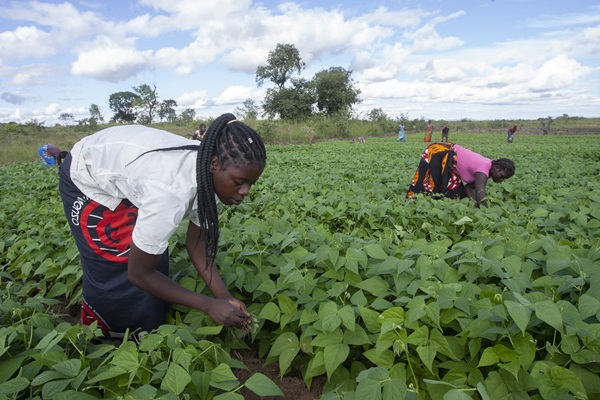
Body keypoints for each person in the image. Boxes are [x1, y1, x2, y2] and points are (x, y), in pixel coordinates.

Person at [58, 113, 266, 338]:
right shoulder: (170, 191)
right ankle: (105, 335)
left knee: (152, 257)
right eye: (239, 182)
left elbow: (197, 245)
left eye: (250, 183)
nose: (245, 191)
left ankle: (150, 335)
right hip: (89, 173)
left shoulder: (211, 178)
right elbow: (139, 273)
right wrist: (208, 305)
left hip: (132, 167)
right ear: (215, 164)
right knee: (118, 261)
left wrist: (224, 297)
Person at [407, 142, 515, 208]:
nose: (501, 180)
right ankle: (413, 205)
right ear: (496, 168)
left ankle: (435, 206)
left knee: (455, 194)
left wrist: (474, 204)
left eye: (503, 179)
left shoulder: (488, 171)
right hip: (439, 152)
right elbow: (480, 195)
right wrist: (485, 213)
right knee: (429, 183)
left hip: (451, 164)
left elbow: (468, 188)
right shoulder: (483, 170)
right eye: (501, 176)